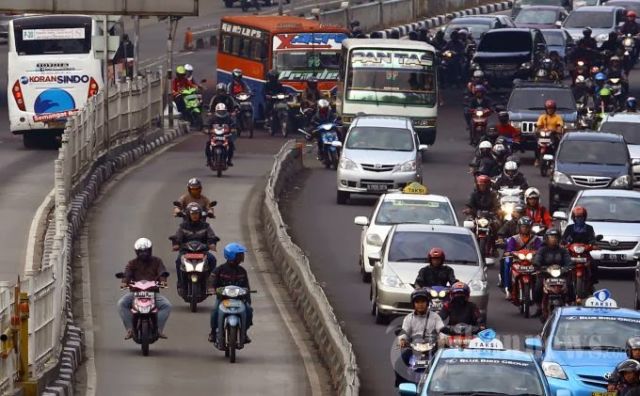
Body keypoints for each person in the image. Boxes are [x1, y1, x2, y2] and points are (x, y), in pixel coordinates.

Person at [118, 238, 172, 340]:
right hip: (135, 293)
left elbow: (162, 272)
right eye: (141, 251)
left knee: (166, 305)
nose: (144, 254)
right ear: (137, 252)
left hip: (153, 292)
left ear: (150, 250)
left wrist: (163, 281)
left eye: (146, 251)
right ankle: (130, 329)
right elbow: (127, 274)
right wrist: (124, 282)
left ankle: (159, 329)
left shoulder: (157, 261)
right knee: (122, 303)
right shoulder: (132, 263)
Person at [395, 288, 445, 387]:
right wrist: (402, 340)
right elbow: (404, 331)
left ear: (428, 303)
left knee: (444, 365)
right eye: (417, 302)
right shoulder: (409, 318)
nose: (420, 304)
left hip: (432, 348)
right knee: (399, 364)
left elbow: (442, 330)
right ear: (413, 304)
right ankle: (403, 386)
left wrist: (442, 339)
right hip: (414, 348)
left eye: (423, 301)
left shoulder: (435, 317)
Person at [208, 242, 254, 344]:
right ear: (231, 256)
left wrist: (248, 299)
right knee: (215, 311)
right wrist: (211, 288)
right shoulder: (220, 270)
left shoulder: (242, 271)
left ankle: (244, 332)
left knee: (249, 311)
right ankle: (213, 333)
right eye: (239, 255)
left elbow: (246, 287)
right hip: (223, 299)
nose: (242, 257)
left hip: (239, 299)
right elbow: (211, 279)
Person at [171, 203, 219, 293]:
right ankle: (181, 284)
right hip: (186, 252)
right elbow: (177, 237)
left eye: (196, 213)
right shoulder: (183, 226)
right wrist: (176, 244)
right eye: (192, 214)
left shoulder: (206, 226)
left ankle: (210, 284)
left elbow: (211, 236)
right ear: (189, 214)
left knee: (212, 260)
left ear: (200, 214)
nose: (195, 216)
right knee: (178, 261)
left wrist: (212, 243)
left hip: (202, 252)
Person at [532, 229, 573, 318]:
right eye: (551, 237)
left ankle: (571, 303)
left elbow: (569, 263)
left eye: (555, 237)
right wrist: (540, 267)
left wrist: (566, 269)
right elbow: (537, 260)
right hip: (545, 274)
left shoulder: (563, 250)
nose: (553, 239)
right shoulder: (542, 250)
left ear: (559, 239)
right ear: (547, 238)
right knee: (538, 288)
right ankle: (539, 307)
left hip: (560, 274)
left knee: (570, 285)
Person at [502, 217, 543, 293]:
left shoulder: (535, 238)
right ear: (519, 227)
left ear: (530, 228)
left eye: (527, 227)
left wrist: (537, 253)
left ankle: (540, 290)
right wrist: (510, 252)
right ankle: (507, 287)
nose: (525, 228)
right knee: (507, 262)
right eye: (523, 226)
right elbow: (509, 249)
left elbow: (540, 249)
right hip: (517, 260)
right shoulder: (514, 238)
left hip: (531, 260)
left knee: (542, 269)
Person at [561, 206, 599, 284]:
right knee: (561, 264)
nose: (579, 219)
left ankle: (592, 281)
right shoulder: (569, 228)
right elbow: (564, 239)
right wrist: (563, 244)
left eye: (581, 217)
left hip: (584, 252)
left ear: (584, 217)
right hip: (571, 252)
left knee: (593, 264)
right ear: (574, 218)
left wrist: (593, 244)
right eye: (577, 217)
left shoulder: (589, 228)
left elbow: (592, 238)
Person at [535, 99, 564, 166]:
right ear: (546, 109)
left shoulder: (558, 117)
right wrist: (538, 130)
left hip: (553, 135)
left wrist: (556, 130)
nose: (550, 110)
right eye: (548, 108)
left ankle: (556, 160)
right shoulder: (542, 117)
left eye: (551, 108)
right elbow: (538, 126)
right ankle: (537, 159)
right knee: (536, 144)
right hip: (543, 135)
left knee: (557, 144)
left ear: (554, 109)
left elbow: (559, 127)